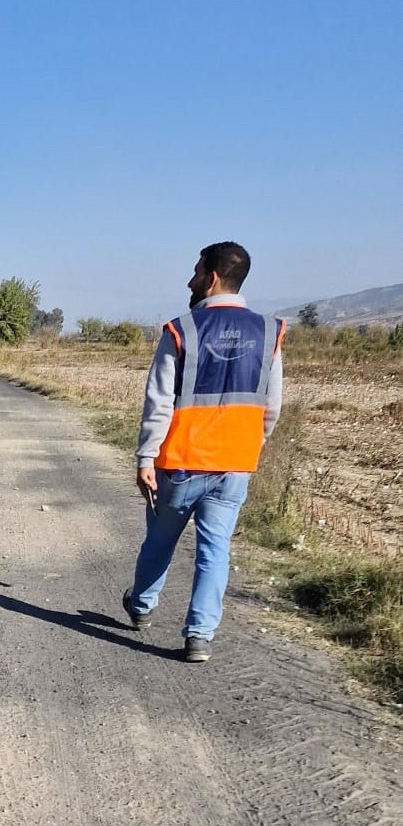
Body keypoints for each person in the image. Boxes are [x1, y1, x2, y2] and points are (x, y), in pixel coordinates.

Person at [123, 241, 285, 663]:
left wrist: (146, 457)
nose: (190, 280)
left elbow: (159, 401)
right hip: (235, 464)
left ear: (211, 277)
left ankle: (141, 607)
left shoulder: (182, 329)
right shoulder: (269, 331)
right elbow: (272, 404)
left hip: (180, 462)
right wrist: (251, 444)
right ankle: (199, 636)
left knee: (159, 540)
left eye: (195, 271)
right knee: (216, 550)